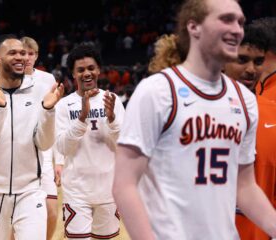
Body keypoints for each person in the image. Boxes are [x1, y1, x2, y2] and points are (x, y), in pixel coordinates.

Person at [113, 0, 276, 239]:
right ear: (194, 27)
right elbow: (124, 185)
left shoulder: (244, 101)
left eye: (240, 21)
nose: (237, 29)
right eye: (226, 19)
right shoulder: (157, 91)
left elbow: (245, 187)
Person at [0, 34, 64, 239]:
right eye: (13, 53)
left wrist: (48, 111)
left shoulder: (40, 90)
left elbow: (45, 143)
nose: (21, 57)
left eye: (23, 53)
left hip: (30, 190)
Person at [55, 44, 125, 239]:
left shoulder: (112, 100)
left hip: (109, 190)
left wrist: (112, 120)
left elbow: (124, 145)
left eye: (91, 68)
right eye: (81, 70)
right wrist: (82, 118)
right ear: (73, 74)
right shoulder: (64, 105)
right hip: (76, 191)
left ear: (99, 70)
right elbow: (62, 147)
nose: (86, 73)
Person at [225, 19, 276, 240]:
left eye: (258, 61)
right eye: (242, 60)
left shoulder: (271, 113)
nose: (250, 70)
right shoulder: (188, 111)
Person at [21, 36, 60, 240]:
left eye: (31, 53)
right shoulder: (8, 78)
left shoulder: (48, 79)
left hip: (43, 152)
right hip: (19, 153)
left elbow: (56, 120)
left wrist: (58, 160)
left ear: (36, 56)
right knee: (15, 217)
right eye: (23, 53)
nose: (26, 57)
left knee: (52, 211)